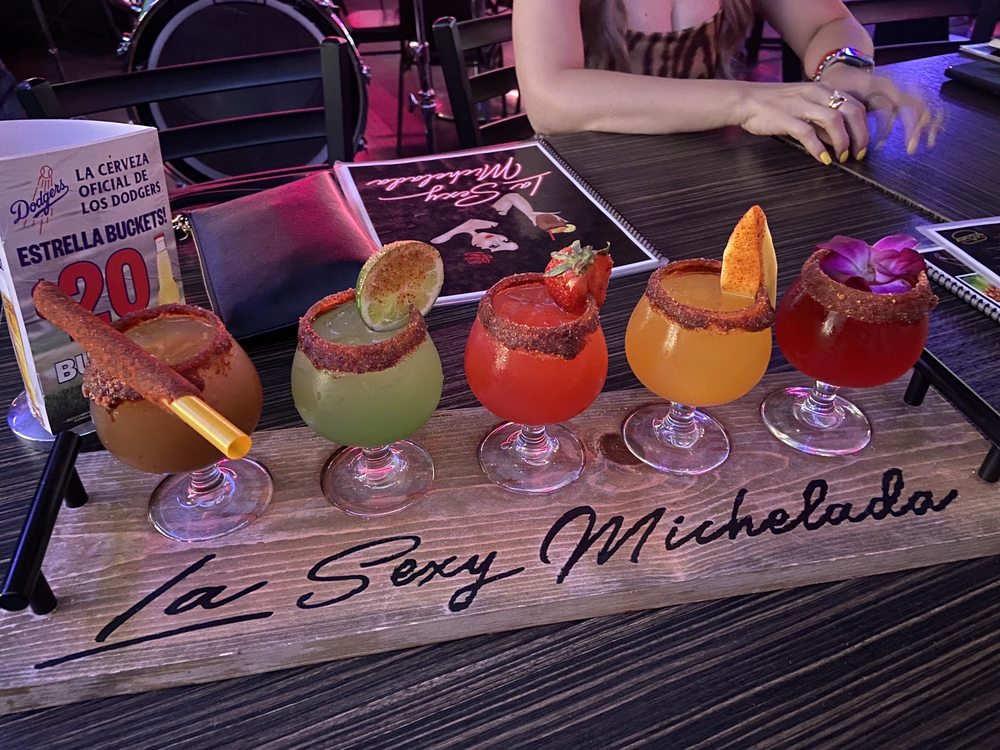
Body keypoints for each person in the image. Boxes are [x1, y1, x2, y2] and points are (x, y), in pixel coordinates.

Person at [512, 0, 940, 165]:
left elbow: (827, 24)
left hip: (711, 169)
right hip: (590, 189)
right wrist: (746, 101)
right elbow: (550, 98)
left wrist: (842, 70)